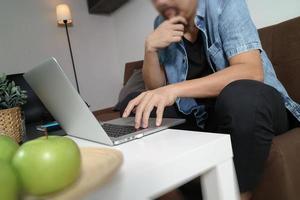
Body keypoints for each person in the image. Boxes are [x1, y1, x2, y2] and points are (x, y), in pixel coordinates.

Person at [121, 0, 300, 199]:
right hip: (206, 119)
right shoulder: (161, 22)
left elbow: (251, 71)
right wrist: (150, 50)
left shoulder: (225, 4)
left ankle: (238, 194)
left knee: (239, 97)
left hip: (256, 107)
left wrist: (174, 89)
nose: (161, 2)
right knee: (142, 107)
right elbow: (155, 90)